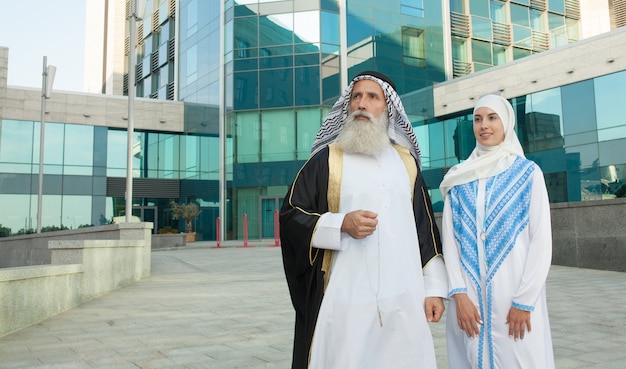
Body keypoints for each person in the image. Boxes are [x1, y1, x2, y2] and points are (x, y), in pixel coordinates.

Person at [279, 71, 448, 369]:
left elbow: (425, 230)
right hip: (346, 299)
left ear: (388, 108)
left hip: (403, 297)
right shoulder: (327, 160)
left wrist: (434, 288)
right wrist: (340, 224)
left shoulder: (406, 164)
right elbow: (292, 214)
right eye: (356, 96)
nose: (362, 103)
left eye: (372, 97)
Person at [439, 94, 555, 369]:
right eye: (478, 119)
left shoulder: (528, 173)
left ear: (506, 123)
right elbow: (450, 241)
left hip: (514, 297)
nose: (484, 125)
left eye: (492, 118)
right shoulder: (459, 175)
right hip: (468, 303)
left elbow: (541, 241)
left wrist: (524, 301)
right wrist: (459, 295)